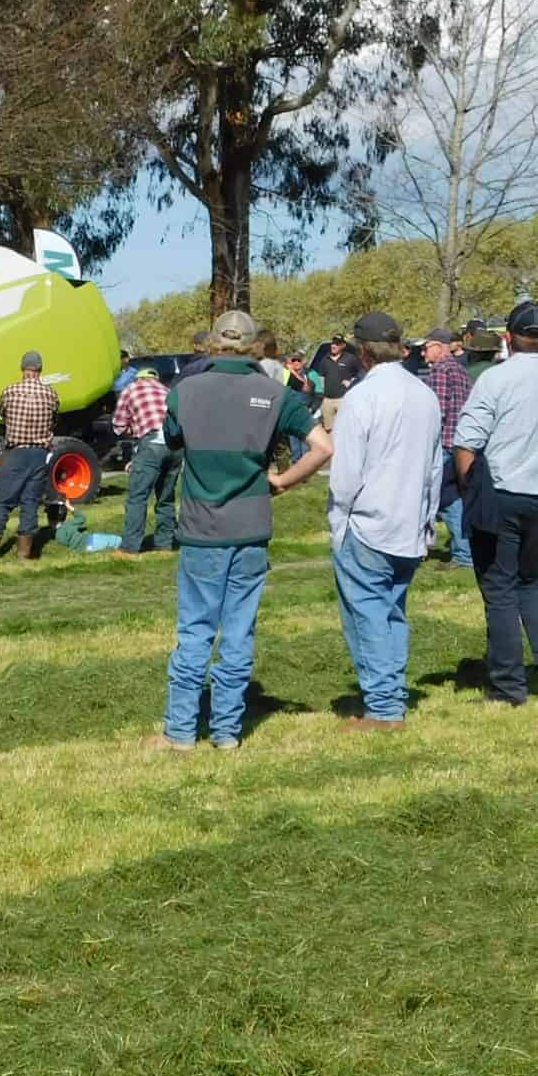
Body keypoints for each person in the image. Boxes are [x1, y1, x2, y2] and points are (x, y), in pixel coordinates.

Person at [146, 308, 330, 752]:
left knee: (194, 630)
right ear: (253, 344)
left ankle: (181, 732)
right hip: (250, 528)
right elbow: (323, 447)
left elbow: (171, 440)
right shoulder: (274, 393)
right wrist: (283, 481)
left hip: (200, 528)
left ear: (212, 342)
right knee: (239, 630)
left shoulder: (184, 390)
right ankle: (228, 731)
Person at [454, 301, 538, 707]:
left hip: (500, 493)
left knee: (499, 590)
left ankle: (509, 686)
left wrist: (468, 489)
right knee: (530, 581)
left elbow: (467, 442)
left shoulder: (495, 380)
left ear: (508, 338)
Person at [320, 309, 441, 731]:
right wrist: (428, 519)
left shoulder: (362, 397)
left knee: (368, 614)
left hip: (369, 522)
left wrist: (339, 522)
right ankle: (391, 695)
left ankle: (384, 706)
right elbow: (434, 466)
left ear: (363, 353)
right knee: (392, 613)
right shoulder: (424, 394)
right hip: (409, 522)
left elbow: (347, 473)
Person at [0, 350, 59, 561]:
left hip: (16, 452)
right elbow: (55, 420)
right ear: (40, 370)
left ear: (22, 368)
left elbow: (1, 414)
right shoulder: (51, 394)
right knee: (30, 502)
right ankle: (23, 553)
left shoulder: (9, 391)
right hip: (39, 453)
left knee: (4, 502)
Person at [111, 362, 179, 557]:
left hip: (152, 444)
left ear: (139, 378)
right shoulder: (168, 390)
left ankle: (129, 548)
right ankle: (165, 545)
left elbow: (118, 425)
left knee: (137, 497)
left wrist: (132, 428)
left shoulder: (131, 389)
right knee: (165, 498)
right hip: (175, 447)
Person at [420, 328, 473, 570]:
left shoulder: (441, 370)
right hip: (462, 443)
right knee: (457, 497)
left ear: (440, 347)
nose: (423, 353)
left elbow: (436, 412)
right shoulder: (461, 370)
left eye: (427, 347)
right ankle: (464, 549)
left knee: (445, 499)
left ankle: (463, 554)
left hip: (444, 444)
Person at [314, 335, 363, 428]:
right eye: (333, 343)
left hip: (343, 400)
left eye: (337, 344)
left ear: (343, 346)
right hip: (327, 400)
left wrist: (351, 382)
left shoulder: (350, 358)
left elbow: (361, 373)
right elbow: (321, 377)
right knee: (328, 429)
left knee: (344, 428)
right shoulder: (325, 359)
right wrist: (323, 391)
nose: (334, 346)